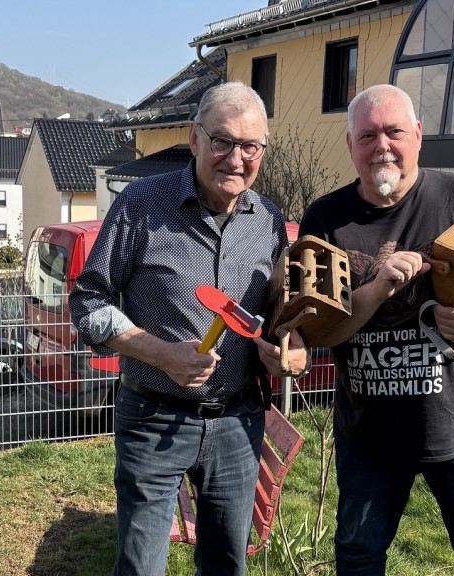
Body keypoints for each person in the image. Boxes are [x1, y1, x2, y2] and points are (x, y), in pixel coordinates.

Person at [298, 84, 454, 575]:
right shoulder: (325, 219)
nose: (382, 146)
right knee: (359, 558)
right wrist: (377, 290)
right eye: (367, 136)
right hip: (369, 434)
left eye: (394, 132)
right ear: (350, 144)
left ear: (418, 135)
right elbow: (321, 332)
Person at [69, 81, 308, 576]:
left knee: (227, 565)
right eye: (222, 141)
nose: (235, 159)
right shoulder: (141, 204)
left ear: (263, 151)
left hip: (239, 421)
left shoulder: (268, 220)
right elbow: (89, 302)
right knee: (140, 566)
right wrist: (160, 353)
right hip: (153, 418)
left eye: (250, 146)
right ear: (195, 139)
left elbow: (274, 313)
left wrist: (287, 347)